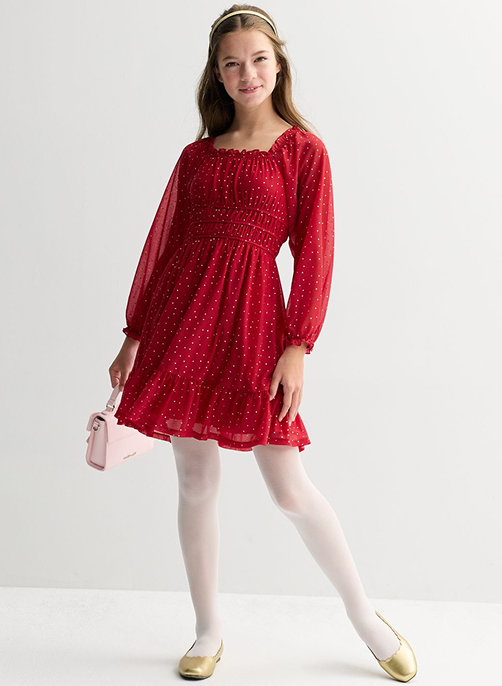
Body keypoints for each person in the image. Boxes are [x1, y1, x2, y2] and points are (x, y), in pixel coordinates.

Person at [108, 5, 417, 682]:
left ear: (278, 66)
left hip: (255, 328)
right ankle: (208, 629)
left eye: (258, 60)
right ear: (216, 75)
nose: (246, 73)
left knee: (288, 488)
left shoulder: (303, 152)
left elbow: (315, 254)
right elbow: (163, 247)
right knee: (195, 479)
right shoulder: (196, 156)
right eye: (232, 63)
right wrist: (135, 334)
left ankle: (365, 616)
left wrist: (298, 344)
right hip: (183, 324)